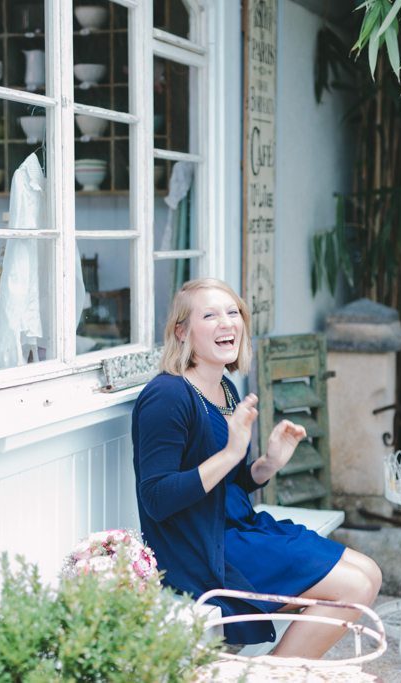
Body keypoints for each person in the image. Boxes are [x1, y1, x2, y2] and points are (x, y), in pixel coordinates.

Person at [132, 278, 381, 658]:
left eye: (233, 312)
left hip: (239, 530)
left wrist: (266, 465)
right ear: (181, 331)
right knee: (354, 588)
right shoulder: (167, 395)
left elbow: (227, 486)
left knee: (371, 574)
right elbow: (156, 498)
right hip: (203, 550)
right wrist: (232, 453)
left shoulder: (226, 388)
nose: (227, 323)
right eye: (210, 315)